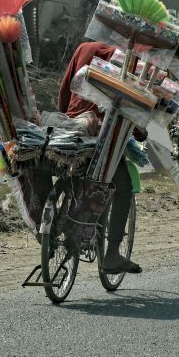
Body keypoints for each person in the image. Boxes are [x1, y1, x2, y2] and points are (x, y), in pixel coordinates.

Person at [57, 41, 142, 274]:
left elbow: (65, 90)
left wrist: (67, 117)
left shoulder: (85, 47)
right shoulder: (131, 60)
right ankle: (112, 254)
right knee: (122, 187)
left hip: (72, 128)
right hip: (102, 135)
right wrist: (140, 133)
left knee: (77, 179)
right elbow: (133, 106)